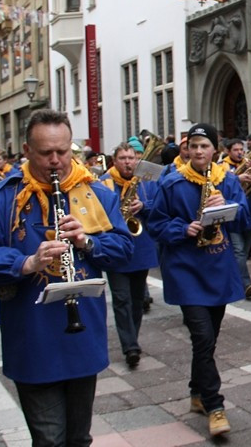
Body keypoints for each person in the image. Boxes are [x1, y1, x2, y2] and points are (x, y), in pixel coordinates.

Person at [0, 110, 134, 446]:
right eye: (46, 153)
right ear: (27, 151)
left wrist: (87, 241)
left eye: (63, 151)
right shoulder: (2, 198)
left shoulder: (96, 193)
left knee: (79, 438)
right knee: (48, 440)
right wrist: (27, 262)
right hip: (33, 338)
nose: (56, 161)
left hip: (83, 335)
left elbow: (124, 249)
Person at [146, 123, 246, 437]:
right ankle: (215, 406)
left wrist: (228, 207)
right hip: (186, 270)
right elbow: (156, 223)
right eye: (194, 146)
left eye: (205, 146)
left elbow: (244, 215)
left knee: (208, 340)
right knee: (202, 338)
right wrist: (182, 229)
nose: (200, 152)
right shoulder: (172, 182)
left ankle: (195, 391)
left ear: (215, 149)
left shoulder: (227, 179)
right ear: (187, 149)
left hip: (217, 267)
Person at [101, 142, 159, 367]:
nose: (127, 162)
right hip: (116, 248)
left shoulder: (145, 181)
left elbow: (158, 206)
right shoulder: (104, 183)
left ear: (137, 161)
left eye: (131, 158)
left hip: (140, 247)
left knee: (136, 299)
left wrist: (143, 206)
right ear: (114, 161)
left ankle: (132, 337)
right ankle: (130, 346)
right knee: (121, 299)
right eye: (123, 158)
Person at [222, 138, 251, 299]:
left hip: (249, 212)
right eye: (236, 150)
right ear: (228, 151)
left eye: (241, 150)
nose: (240, 152)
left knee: (243, 252)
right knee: (238, 251)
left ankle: (233, 279)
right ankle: (246, 284)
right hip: (233, 214)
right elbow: (221, 186)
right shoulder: (222, 167)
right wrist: (238, 178)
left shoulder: (249, 165)